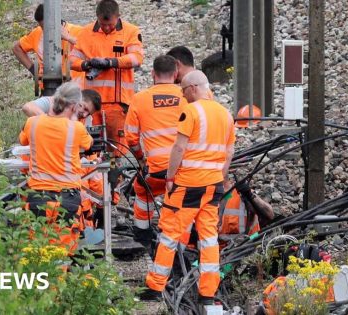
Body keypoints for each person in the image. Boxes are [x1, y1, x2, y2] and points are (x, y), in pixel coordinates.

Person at [143, 71, 235, 304]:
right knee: (208, 238)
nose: (183, 97)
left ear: (193, 88)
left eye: (183, 91)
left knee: (169, 235)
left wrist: (170, 177)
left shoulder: (191, 111)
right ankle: (208, 292)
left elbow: (179, 148)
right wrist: (219, 177)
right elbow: (229, 152)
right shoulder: (225, 114)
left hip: (188, 185)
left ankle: (155, 287)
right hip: (213, 185)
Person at [19, 82, 93, 254]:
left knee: (37, 251)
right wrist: (73, 118)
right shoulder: (77, 128)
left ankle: (39, 279)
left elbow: (22, 140)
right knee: (61, 253)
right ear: (74, 106)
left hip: (38, 196)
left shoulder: (33, 123)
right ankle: (58, 280)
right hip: (67, 199)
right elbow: (89, 144)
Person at [124, 55, 188, 248]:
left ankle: (142, 232)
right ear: (176, 74)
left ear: (152, 74)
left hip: (156, 170)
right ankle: (184, 240)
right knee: (185, 201)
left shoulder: (140, 99)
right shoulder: (186, 96)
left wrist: (141, 160)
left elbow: (131, 138)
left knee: (142, 189)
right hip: (184, 169)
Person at [70, 0, 144, 156]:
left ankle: (116, 178)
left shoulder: (130, 31)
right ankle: (92, 179)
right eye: (103, 24)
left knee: (116, 150)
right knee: (90, 148)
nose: (106, 28)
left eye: (110, 24)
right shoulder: (85, 32)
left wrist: (111, 62)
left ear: (118, 17)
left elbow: (137, 58)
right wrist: (86, 64)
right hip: (91, 104)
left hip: (117, 104)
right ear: (97, 17)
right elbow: (71, 60)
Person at [12, 4, 83, 89]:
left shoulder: (77, 31)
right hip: (48, 89)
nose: (45, 31)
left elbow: (90, 49)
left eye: (48, 27)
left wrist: (68, 38)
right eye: (42, 27)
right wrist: (34, 70)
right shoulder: (37, 33)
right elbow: (17, 48)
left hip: (74, 91)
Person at [22, 89, 102, 125]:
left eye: (88, 114)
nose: (84, 115)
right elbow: (27, 107)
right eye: (85, 108)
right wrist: (51, 124)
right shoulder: (54, 102)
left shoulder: (80, 121)